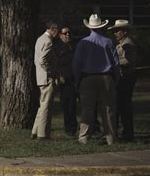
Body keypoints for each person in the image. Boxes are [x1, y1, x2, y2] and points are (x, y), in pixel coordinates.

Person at [73, 14, 120, 145]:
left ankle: (83, 137)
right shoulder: (108, 42)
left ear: (89, 27)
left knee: (87, 109)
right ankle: (111, 138)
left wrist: (77, 80)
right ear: (101, 27)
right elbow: (115, 63)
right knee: (108, 109)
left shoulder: (83, 43)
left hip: (88, 77)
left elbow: (77, 64)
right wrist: (116, 79)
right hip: (106, 77)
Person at [108, 19, 137, 142]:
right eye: (114, 31)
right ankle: (125, 132)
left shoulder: (127, 44)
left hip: (126, 78)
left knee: (124, 106)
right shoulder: (121, 43)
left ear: (124, 32)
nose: (115, 33)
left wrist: (113, 62)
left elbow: (127, 61)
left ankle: (128, 133)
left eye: (117, 30)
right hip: (122, 78)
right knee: (120, 106)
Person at [31, 20, 59, 140]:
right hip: (47, 78)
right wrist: (50, 72)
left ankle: (35, 131)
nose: (57, 33)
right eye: (57, 30)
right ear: (52, 29)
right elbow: (42, 60)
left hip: (40, 77)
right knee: (46, 106)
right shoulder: (48, 41)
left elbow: (37, 59)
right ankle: (43, 134)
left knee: (42, 105)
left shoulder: (40, 39)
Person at [54, 25, 78, 137]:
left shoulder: (75, 46)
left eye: (69, 32)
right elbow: (54, 64)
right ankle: (69, 129)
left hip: (77, 80)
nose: (68, 35)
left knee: (81, 105)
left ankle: (92, 128)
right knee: (67, 106)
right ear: (60, 35)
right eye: (65, 33)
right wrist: (58, 76)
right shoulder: (56, 48)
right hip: (65, 82)